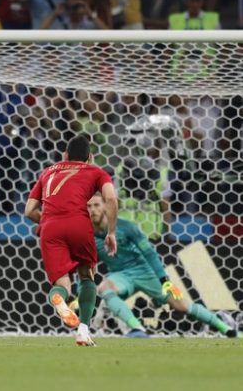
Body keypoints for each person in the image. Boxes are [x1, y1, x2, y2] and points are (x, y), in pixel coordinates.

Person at [86, 193, 237, 338]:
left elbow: (150, 254)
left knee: (181, 305)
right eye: (89, 206)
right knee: (105, 288)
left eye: (97, 205)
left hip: (145, 271)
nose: (92, 209)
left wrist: (164, 280)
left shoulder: (126, 227)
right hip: (121, 275)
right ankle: (137, 328)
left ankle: (226, 328)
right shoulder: (85, 234)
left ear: (106, 206)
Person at [24, 134, 118, 346]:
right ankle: (83, 332)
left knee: (62, 284)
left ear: (65, 155)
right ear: (90, 157)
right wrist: (111, 232)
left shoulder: (48, 171)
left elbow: (29, 210)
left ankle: (59, 299)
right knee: (86, 276)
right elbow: (111, 198)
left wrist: (48, 222)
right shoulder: (96, 171)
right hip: (78, 224)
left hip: (50, 228)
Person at [40, 0, 109, 29]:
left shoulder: (88, 24)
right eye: (71, 6)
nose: (74, 9)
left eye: (77, 6)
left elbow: (107, 33)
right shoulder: (62, 22)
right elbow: (40, 32)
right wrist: (54, 14)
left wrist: (90, 13)